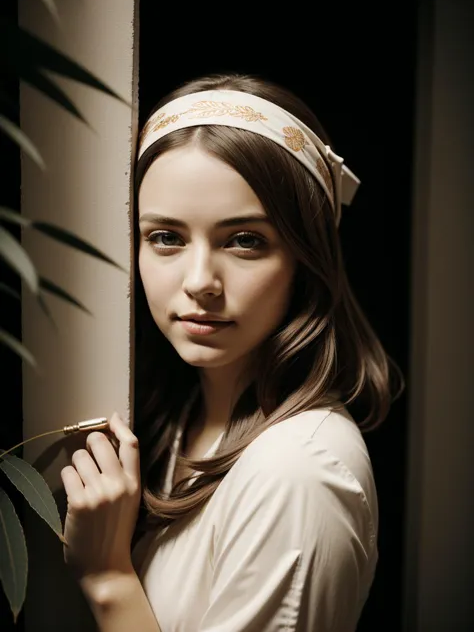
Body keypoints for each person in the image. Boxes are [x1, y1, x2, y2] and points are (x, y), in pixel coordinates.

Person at [60, 73, 404, 632]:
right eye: (165, 237)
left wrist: (108, 578)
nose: (200, 282)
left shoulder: (298, 473)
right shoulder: (176, 422)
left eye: (245, 240)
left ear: (305, 259)